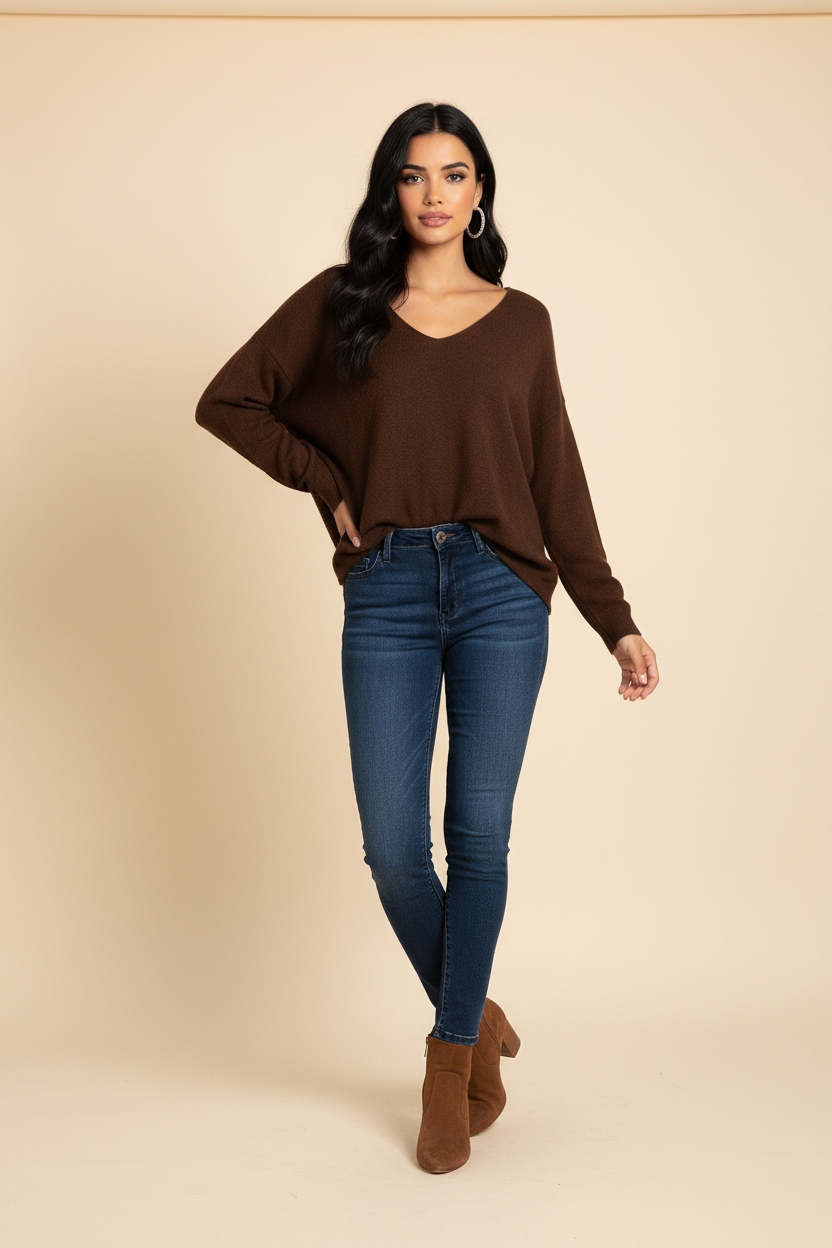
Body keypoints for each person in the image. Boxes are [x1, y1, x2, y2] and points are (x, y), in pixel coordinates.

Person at [195, 100, 659, 1175]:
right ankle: (478, 1011)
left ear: (480, 191)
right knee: (394, 847)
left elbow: (556, 478)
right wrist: (327, 481)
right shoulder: (342, 304)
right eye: (413, 175)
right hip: (388, 586)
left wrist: (615, 619)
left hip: (501, 589)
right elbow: (230, 402)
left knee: (478, 836)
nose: (435, 193)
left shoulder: (523, 321)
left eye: (454, 174)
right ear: (390, 192)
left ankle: (451, 1070)